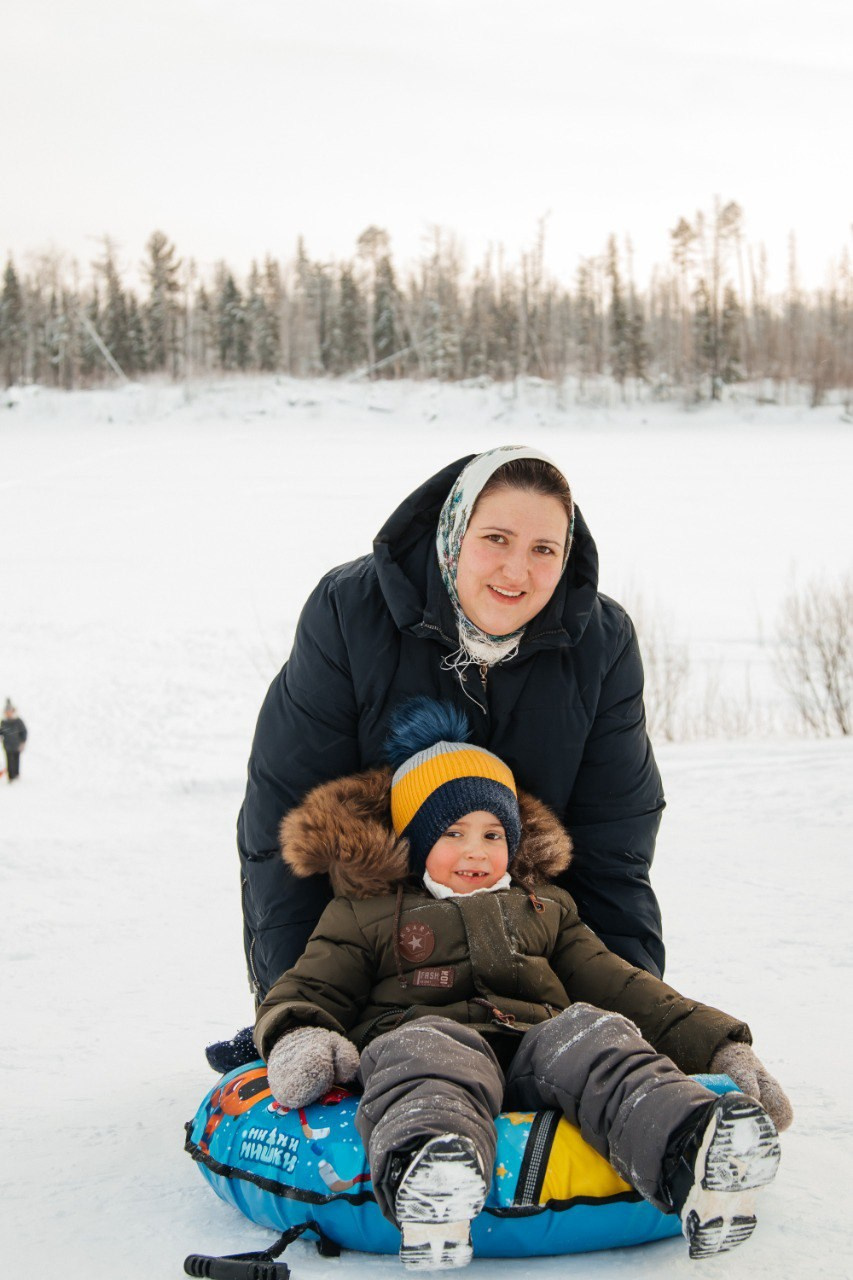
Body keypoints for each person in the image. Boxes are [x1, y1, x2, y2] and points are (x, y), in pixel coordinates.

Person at [254, 699, 792, 1270]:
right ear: (413, 840)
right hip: (428, 1041)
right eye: (453, 832)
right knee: (423, 1048)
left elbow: (623, 985)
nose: (476, 850)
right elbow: (309, 987)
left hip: (539, 1049)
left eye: (493, 833)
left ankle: (692, 1150)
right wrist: (299, 1034)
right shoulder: (365, 913)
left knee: (595, 1033)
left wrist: (717, 1044)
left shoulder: (546, 908)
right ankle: (432, 1175)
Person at [213, 446, 668, 1073]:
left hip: (526, 954)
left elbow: (615, 847)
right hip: (378, 957)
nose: (517, 570)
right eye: (496, 538)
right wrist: (297, 1016)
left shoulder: (602, 644)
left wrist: (628, 1023)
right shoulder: (350, 613)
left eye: (544, 549)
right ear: (452, 533)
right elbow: (286, 830)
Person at [1, 698, 27, 782]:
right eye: (7, 712)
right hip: (7, 745)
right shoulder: (4, 722)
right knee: (9, 760)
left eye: (9, 711)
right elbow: (1, 731)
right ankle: (10, 776)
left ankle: (16, 774)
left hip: (16, 745)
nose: (8, 713)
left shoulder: (18, 721)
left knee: (16, 759)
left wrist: (23, 741)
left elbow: (23, 731)